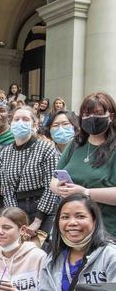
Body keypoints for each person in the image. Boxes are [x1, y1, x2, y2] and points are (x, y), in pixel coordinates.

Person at [52, 92, 116, 236]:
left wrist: (86, 193)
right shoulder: (76, 143)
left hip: (106, 231)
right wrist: (59, 188)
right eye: (86, 114)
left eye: (98, 113)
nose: (91, 118)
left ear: (110, 116)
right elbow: (54, 179)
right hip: (71, 230)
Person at [0, 106, 59, 235]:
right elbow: (7, 190)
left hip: (44, 208)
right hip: (17, 208)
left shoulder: (46, 148)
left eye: (25, 119)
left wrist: (37, 220)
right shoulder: (4, 153)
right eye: (16, 119)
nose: (20, 122)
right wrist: (16, 217)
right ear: (11, 123)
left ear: (34, 124)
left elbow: (51, 187)